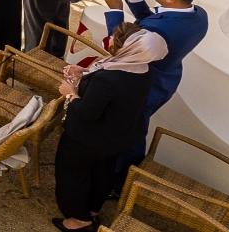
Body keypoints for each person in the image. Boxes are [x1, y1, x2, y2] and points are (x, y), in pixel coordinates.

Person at [53, 24, 167, 231]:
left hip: (88, 138)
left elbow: (87, 112)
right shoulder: (144, 69)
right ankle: (93, 210)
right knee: (101, 172)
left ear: (128, 48)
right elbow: (115, 97)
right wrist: (85, 73)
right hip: (116, 137)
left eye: (115, 38)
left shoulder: (108, 78)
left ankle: (79, 220)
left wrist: (70, 91)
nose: (110, 40)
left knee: (72, 173)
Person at [101, 0, 209, 131]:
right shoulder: (199, 15)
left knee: (124, 128)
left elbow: (118, 48)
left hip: (141, 86)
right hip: (168, 79)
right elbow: (155, 21)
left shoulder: (159, 31)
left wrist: (116, 10)